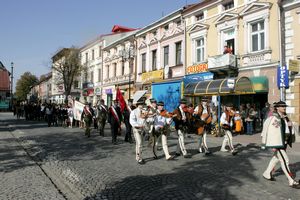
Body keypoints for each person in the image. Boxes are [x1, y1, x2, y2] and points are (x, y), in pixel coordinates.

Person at [261, 101, 299, 189]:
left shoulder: (285, 117)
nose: (284, 107)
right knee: (285, 160)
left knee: (276, 158)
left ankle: (267, 173)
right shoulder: (274, 117)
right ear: (277, 107)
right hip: (277, 143)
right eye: (282, 106)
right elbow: (268, 130)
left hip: (284, 142)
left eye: (284, 106)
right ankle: (291, 181)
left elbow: (288, 128)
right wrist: (271, 143)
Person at [130, 99, 147, 164]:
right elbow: (131, 121)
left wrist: (148, 118)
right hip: (136, 129)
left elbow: (146, 120)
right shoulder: (134, 111)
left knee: (140, 144)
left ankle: (138, 156)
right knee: (139, 143)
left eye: (142, 104)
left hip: (143, 129)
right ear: (137, 105)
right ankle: (139, 158)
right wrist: (138, 125)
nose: (141, 105)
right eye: (140, 104)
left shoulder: (145, 111)